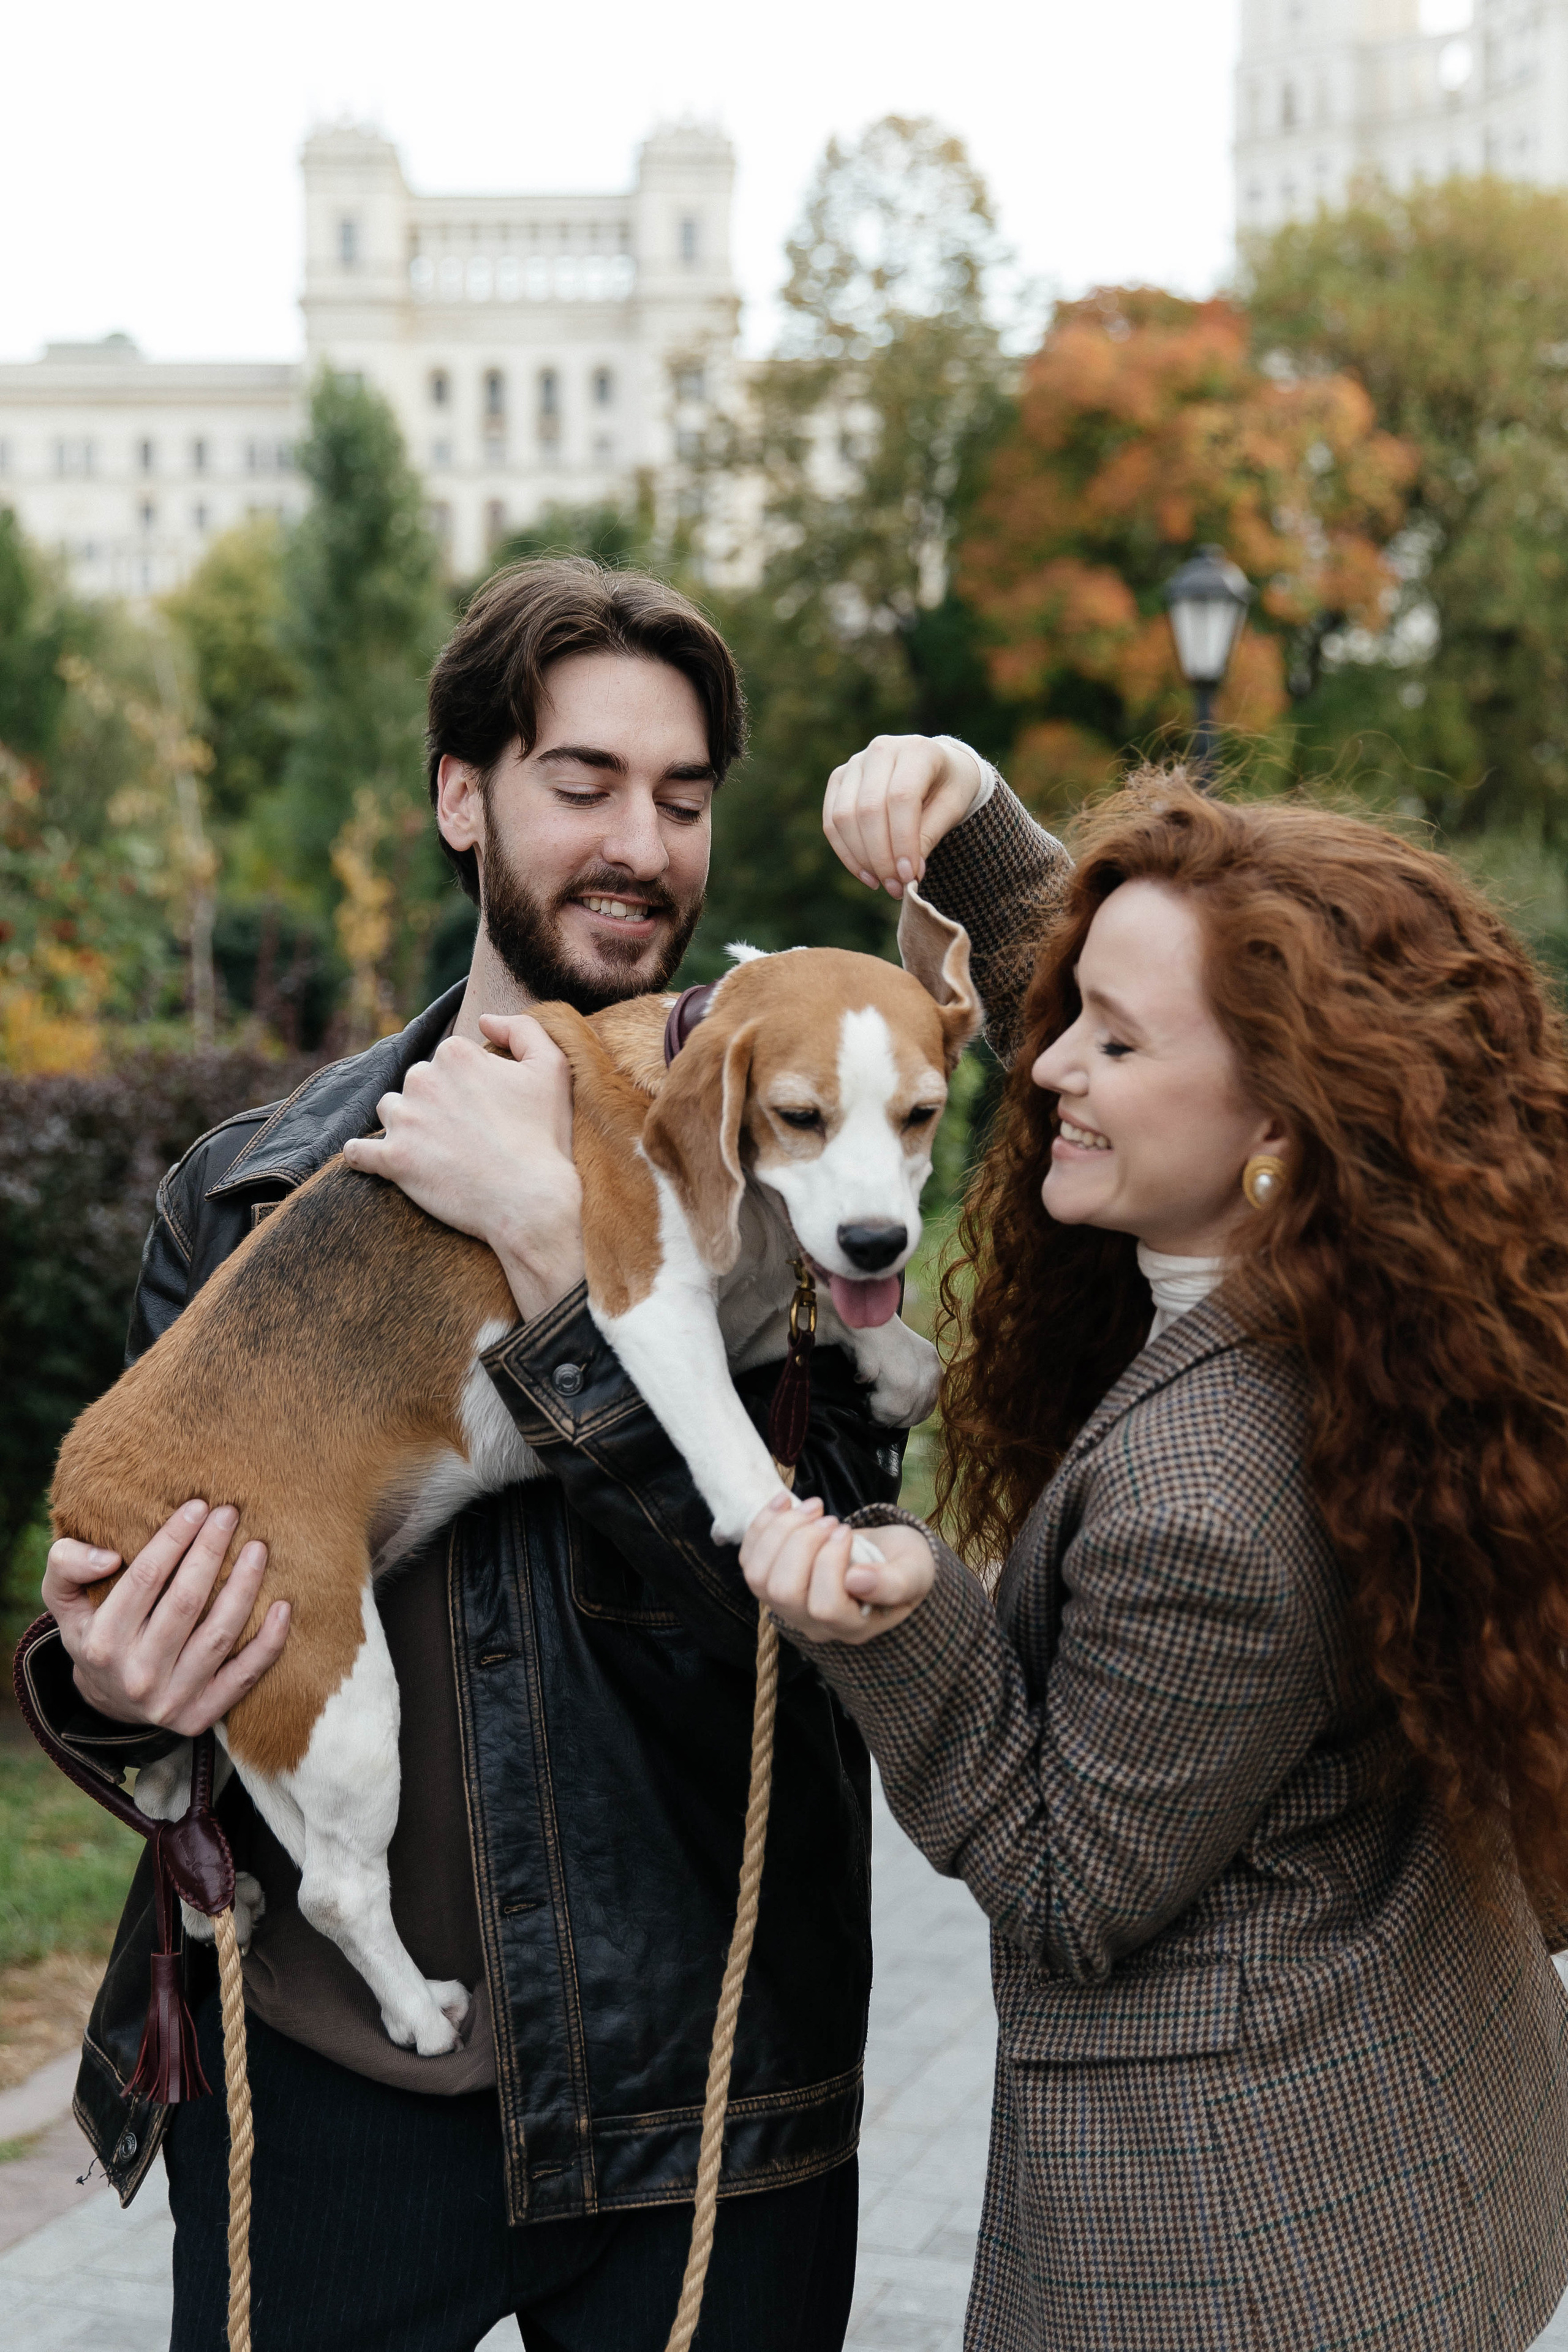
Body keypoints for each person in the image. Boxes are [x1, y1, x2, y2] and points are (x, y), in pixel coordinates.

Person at [26, 559, 1061, 2352]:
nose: (639, 843)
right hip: (323, 2084)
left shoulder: (807, 1165)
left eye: (681, 797)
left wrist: (557, 1258)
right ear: (462, 795)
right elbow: (161, 1554)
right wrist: (108, 1676)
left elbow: (809, 1620)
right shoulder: (253, 1185)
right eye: (581, 783)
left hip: (715, 2089)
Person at [743, 766, 1568, 2350]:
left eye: (1106, 1044)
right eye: (1069, 1014)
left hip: (1226, 2254)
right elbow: (1181, 977)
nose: (1044, 1061)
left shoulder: (1209, 1502)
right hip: (1402, 2136)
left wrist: (911, 1623)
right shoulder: (1378, 1320)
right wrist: (981, 828)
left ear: (1281, 1111)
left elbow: (1068, 1887)